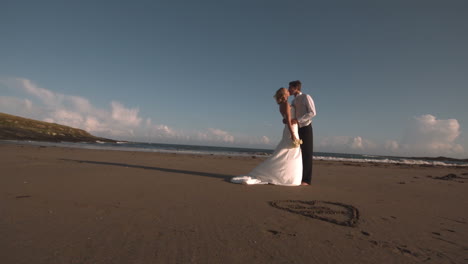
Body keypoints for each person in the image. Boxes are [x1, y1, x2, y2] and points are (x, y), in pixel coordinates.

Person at [231, 88, 302, 186]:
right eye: (287, 91)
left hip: (290, 128)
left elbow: (285, 120)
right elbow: (288, 121)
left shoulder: (281, 105)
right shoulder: (285, 104)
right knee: (289, 151)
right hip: (291, 129)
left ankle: (287, 175)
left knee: (287, 151)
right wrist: (293, 134)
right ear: (284, 94)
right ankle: (286, 177)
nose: (288, 91)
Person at [288, 80, 316, 185]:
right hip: (297, 128)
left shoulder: (306, 97)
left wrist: (298, 120)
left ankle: (307, 180)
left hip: (306, 127)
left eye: (290, 87)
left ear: (296, 88)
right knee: (297, 153)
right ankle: (299, 176)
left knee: (307, 153)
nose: (289, 89)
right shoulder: (293, 101)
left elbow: (313, 112)